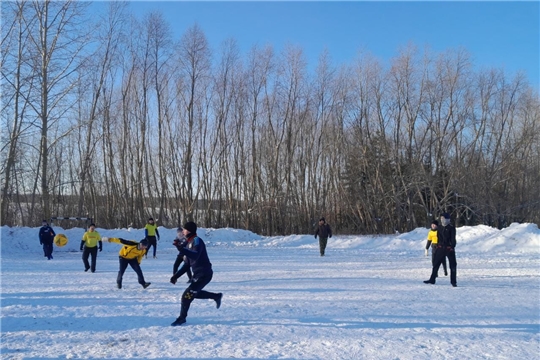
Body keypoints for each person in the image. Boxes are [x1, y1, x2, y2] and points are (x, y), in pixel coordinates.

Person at [169, 221, 222, 326]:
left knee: (186, 296)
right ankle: (216, 296)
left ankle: (182, 318)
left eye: (184, 229)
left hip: (204, 274)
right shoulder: (188, 243)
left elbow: (195, 255)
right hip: (198, 275)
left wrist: (181, 249)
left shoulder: (197, 240)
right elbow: (187, 265)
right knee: (193, 294)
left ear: (189, 230)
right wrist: (175, 276)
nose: (183, 231)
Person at [424, 213, 457, 287]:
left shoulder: (451, 228)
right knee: (436, 264)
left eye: (443, 218)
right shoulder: (439, 227)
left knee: (453, 265)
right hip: (440, 248)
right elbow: (437, 237)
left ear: (447, 219)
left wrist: (452, 247)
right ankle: (432, 279)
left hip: (449, 248)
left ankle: (453, 281)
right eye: (441, 218)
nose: (442, 220)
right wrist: (438, 245)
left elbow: (453, 239)